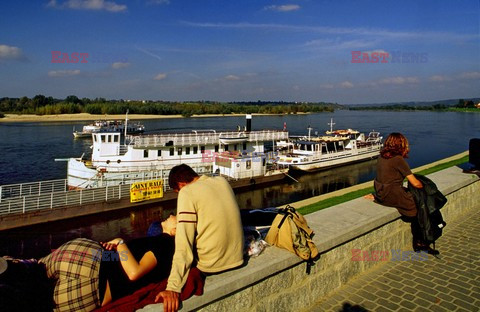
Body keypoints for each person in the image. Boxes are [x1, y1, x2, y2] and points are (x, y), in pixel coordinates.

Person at [1, 214, 177, 312]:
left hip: (95, 274)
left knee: (25, 271)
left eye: (175, 216)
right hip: (95, 277)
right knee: (31, 298)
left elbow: (134, 272)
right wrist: (114, 250)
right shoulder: (158, 242)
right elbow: (123, 263)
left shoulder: (164, 242)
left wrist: (120, 243)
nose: (171, 214)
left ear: (176, 230)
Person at [156, 164, 244, 312]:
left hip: (212, 265)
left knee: (159, 233)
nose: (179, 194)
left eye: (177, 191)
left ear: (181, 184)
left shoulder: (187, 192)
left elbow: (184, 243)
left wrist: (173, 287)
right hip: (237, 257)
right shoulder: (222, 181)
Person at [372, 132, 438, 255]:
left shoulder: (381, 157)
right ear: (401, 145)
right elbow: (415, 183)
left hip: (382, 194)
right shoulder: (398, 160)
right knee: (421, 208)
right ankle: (420, 242)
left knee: (418, 205)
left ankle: (420, 242)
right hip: (393, 195)